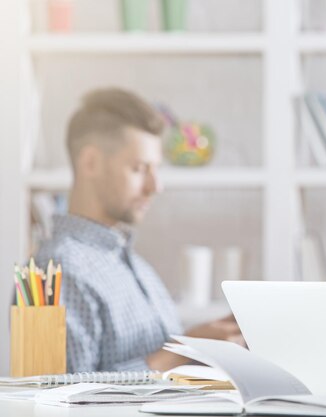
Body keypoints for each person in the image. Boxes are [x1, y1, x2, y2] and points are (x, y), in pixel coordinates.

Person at [36, 88, 241, 373]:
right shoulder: (58, 270)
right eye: (139, 168)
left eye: (156, 169)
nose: (155, 186)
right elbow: (62, 402)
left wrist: (213, 336)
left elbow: (161, 362)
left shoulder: (133, 266)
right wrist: (184, 349)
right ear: (90, 163)